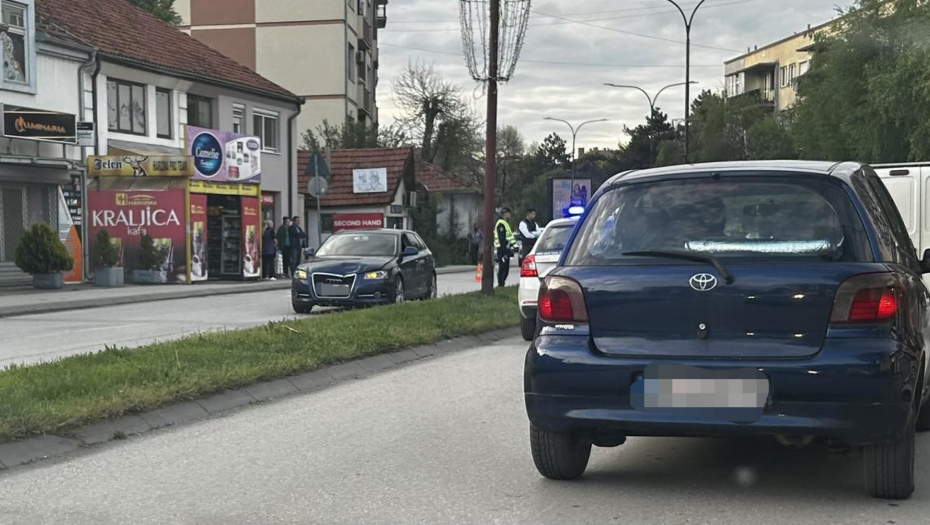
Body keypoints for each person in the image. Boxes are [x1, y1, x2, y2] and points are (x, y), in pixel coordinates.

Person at [494, 207, 517, 287]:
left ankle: (502, 283)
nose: (510, 215)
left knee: (505, 268)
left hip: (505, 249)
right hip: (502, 249)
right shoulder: (501, 224)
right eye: (509, 213)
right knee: (503, 268)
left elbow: (509, 237)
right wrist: (506, 248)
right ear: (505, 214)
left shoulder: (504, 223)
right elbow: (502, 239)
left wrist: (514, 246)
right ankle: (500, 284)